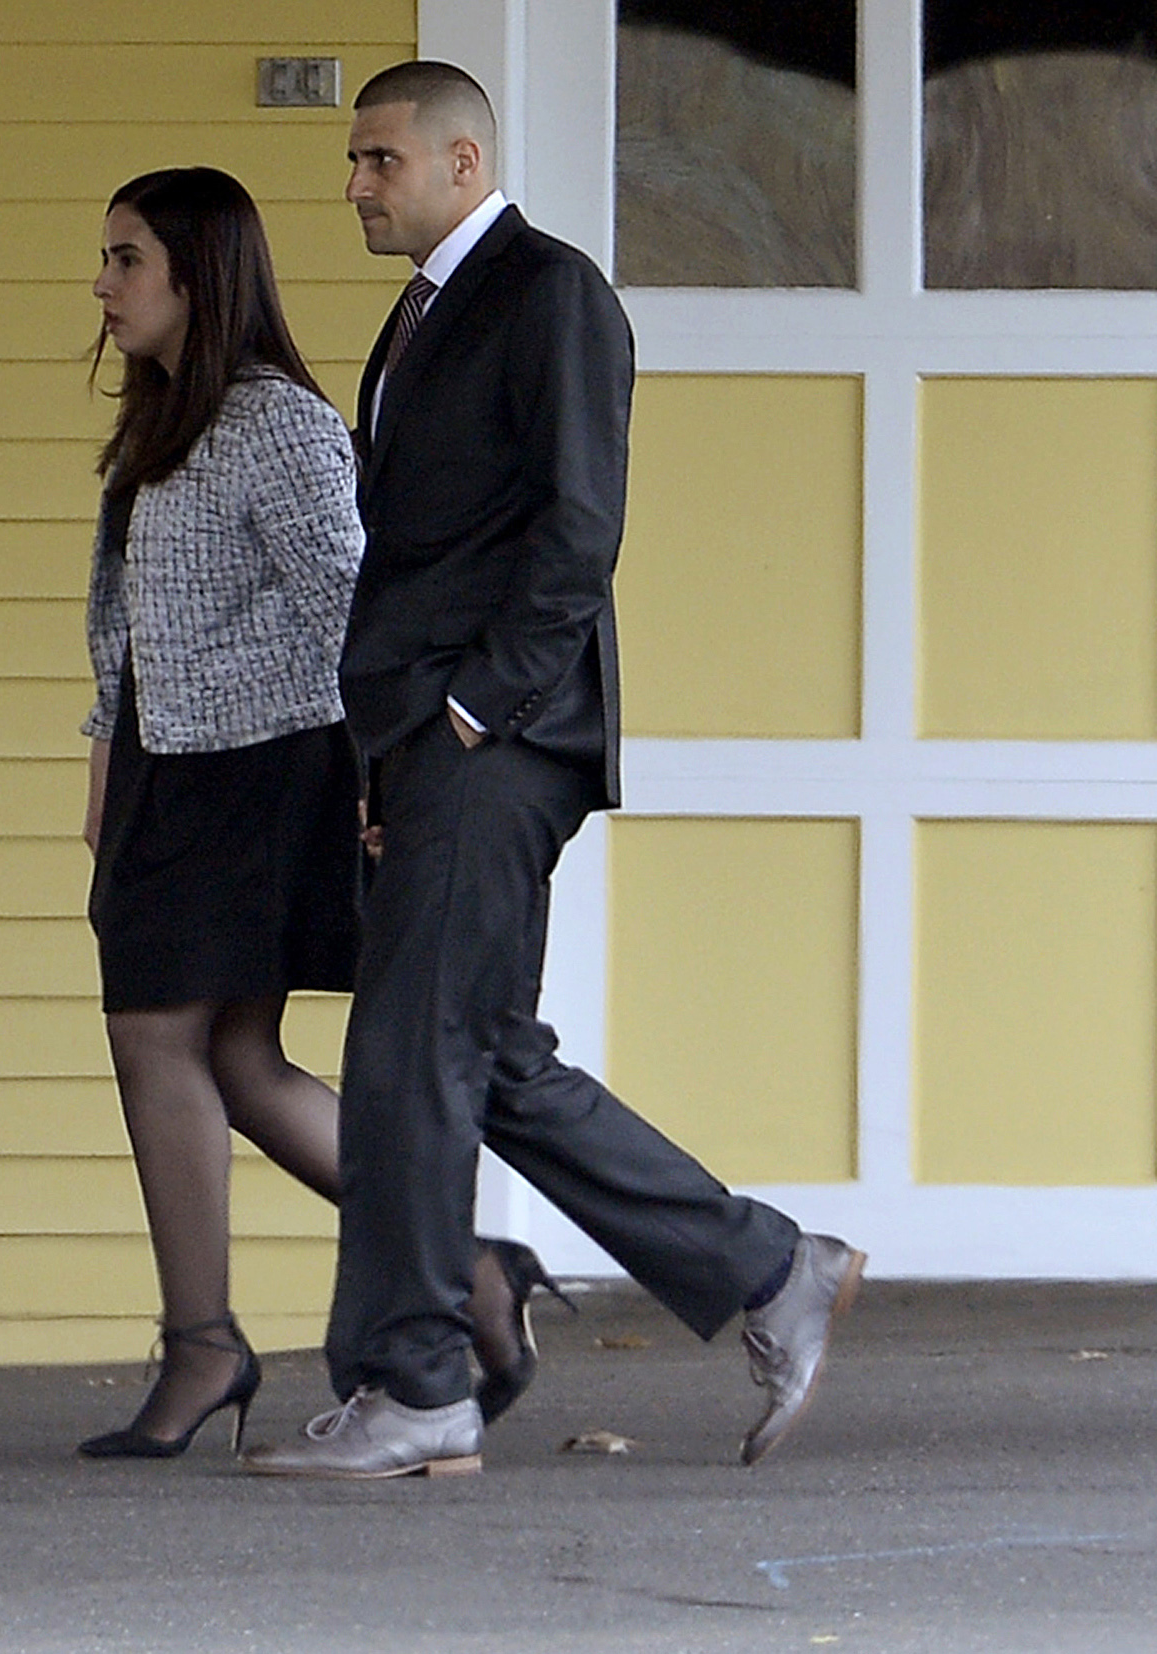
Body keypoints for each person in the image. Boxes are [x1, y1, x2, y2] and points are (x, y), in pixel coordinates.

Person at [243, 62, 864, 1480]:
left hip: (493, 738)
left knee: (404, 1056)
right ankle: (773, 1268)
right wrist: (391, 752)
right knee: (480, 1053)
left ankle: (415, 1384)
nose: (355, 184)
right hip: (423, 741)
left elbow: (581, 528)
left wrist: (471, 713)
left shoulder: (553, 294)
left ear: (464, 161)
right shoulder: (421, 315)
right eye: (353, 160)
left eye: (378, 159)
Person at [75, 167, 565, 1461]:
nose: (104, 285)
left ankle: (206, 1342)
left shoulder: (275, 423)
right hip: (163, 766)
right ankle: (466, 1271)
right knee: (230, 1058)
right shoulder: (166, 417)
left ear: (198, 272)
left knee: (154, 1035)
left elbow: (359, 606)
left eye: (128, 260)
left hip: (261, 771)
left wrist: (378, 780)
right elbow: (129, 623)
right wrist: (102, 760)